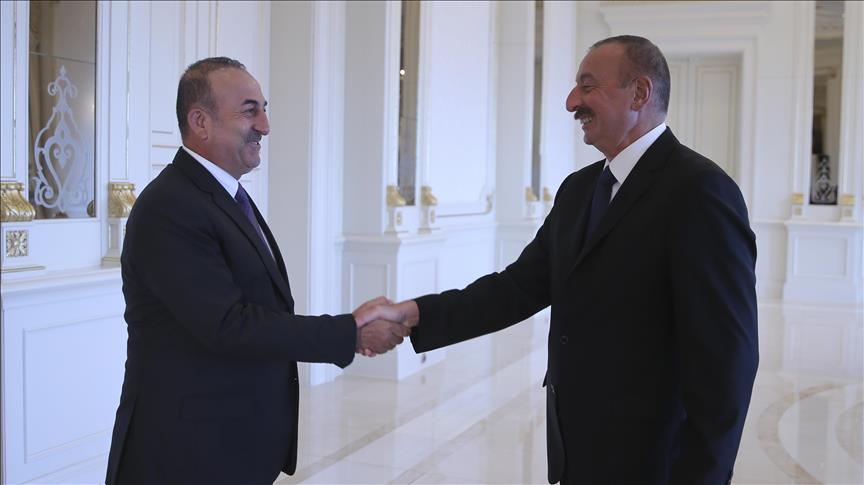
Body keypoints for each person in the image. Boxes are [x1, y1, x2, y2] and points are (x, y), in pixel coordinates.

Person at [378, 36, 759, 484]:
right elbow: (517, 287)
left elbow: (727, 362)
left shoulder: (701, 191)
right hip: (577, 450)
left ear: (639, 93)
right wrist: (415, 313)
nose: (571, 101)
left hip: (654, 463)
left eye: (587, 86)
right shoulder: (579, 189)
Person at [105, 57, 405, 485]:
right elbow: (228, 324)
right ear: (200, 122)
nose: (264, 125)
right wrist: (349, 332)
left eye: (264, 109)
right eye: (249, 111)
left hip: (230, 445)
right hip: (183, 454)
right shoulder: (169, 206)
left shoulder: (224, 196)